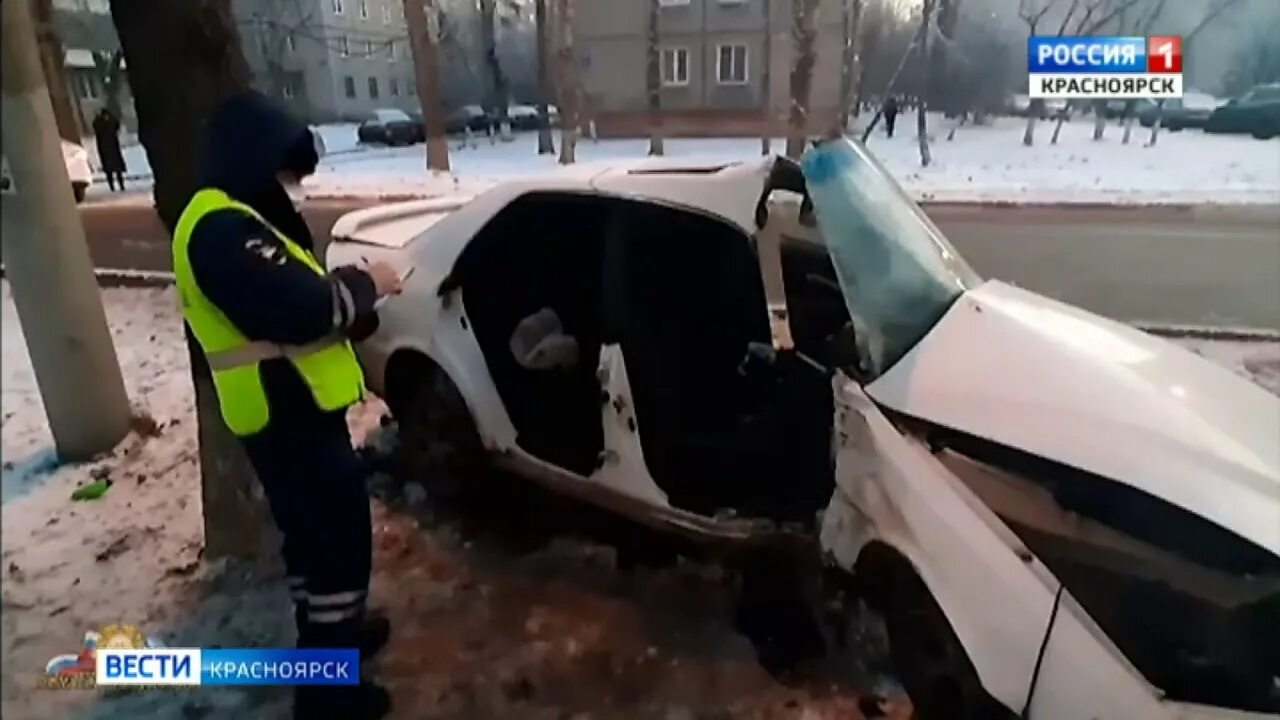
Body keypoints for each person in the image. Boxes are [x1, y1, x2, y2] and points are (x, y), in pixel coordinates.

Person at [171, 91, 400, 719]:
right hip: (285, 420)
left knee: (314, 549)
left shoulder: (243, 217)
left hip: (295, 413)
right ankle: (328, 699)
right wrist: (367, 284)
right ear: (250, 157)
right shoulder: (218, 227)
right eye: (284, 170)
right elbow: (302, 309)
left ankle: (334, 650)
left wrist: (348, 310)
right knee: (336, 551)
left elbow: (299, 310)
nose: (291, 186)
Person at [91, 108, 126, 191]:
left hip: (107, 147)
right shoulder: (105, 123)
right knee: (113, 169)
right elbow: (116, 125)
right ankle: (116, 186)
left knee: (112, 169)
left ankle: (117, 186)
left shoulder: (104, 123)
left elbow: (116, 125)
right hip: (109, 147)